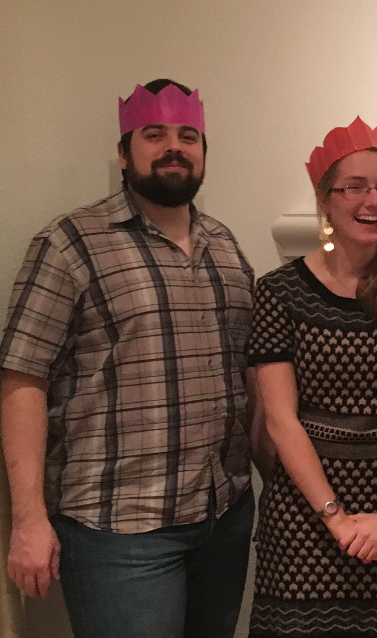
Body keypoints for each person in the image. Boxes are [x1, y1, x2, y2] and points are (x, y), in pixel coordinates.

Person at [0, 79, 256, 638]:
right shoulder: (70, 243)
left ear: (204, 153)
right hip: (118, 532)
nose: (174, 146)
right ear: (123, 152)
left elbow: (249, 379)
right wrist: (28, 521)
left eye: (189, 135)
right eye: (154, 133)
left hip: (224, 516)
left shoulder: (227, 247)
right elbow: (23, 378)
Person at [247, 117, 377, 638]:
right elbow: (280, 418)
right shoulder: (279, 292)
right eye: (355, 187)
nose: (373, 200)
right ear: (325, 199)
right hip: (304, 514)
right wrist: (336, 518)